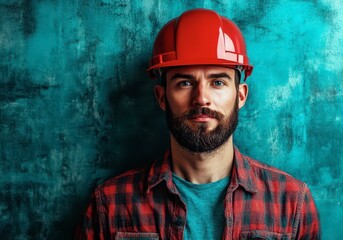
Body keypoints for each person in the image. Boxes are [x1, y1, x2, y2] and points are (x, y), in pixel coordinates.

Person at [77, 8, 320, 240]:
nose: (201, 98)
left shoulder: (290, 203)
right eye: (184, 83)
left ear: (241, 96)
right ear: (162, 97)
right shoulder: (109, 205)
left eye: (218, 83)